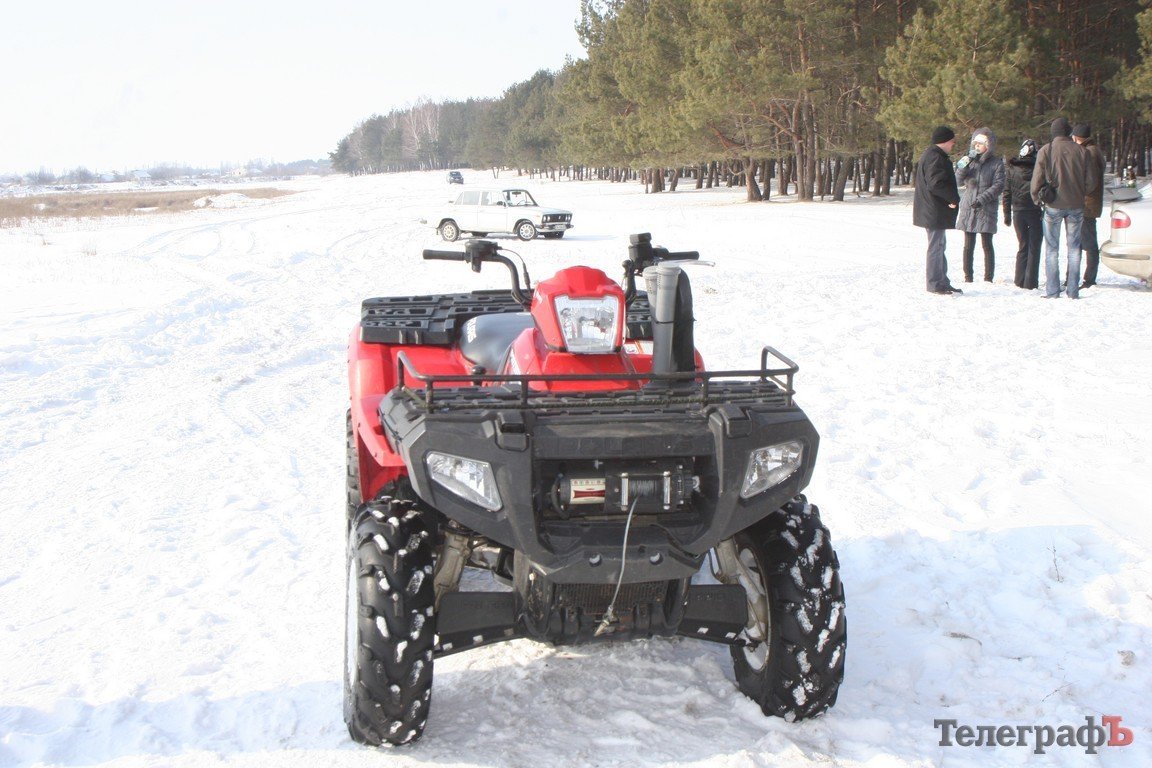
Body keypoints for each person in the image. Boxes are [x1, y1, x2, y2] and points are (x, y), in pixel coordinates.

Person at [1031, 117, 1096, 299]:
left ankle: (1052, 291)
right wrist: (1080, 191)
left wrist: (1036, 197)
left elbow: (1037, 178)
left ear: (1053, 133)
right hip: (1076, 205)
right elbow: (1091, 182)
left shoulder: (1046, 150)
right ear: (1068, 132)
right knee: (1074, 248)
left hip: (1053, 205)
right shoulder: (1082, 151)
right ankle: (1073, 291)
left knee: (1052, 248)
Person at [913, 125, 962, 294]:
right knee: (936, 246)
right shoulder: (935, 157)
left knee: (939, 245)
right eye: (952, 141)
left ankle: (942, 281)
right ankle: (935, 283)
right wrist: (952, 198)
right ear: (946, 141)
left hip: (933, 210)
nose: (953, 145)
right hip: (933, 209)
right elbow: (936, 184)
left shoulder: (933, 155)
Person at [955, 128, 1005, 282]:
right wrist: (963, 165)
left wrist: (982, 199)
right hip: (969, 206)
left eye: (981, 144)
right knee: (968, 244)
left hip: (986, 208)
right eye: (975, 143)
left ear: (988, 145)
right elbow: (956, 181)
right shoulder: (969, 161)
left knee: (987, 244)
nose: (977, 147)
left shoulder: (996, 164)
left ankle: (988, 277)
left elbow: (998, 186)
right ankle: (968, 276)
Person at [1002, 139, 1043, 289]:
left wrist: (1007, 215)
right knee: (1034, 246)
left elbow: (1007, 193)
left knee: (1023, 245)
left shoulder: (1012, 169)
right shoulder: (1039, 169)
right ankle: (1031, 282)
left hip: (1018, 212)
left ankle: (1019, 280)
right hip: (1034, 211)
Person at [1071, 124, 1106, 289]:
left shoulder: (1089, 152)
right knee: (1081, 242)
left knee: (1088, 243)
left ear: (1078, 137)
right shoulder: (1092, 150)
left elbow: (1091, 182)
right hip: (1087, 204)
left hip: (1086, 205)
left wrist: (1078, 190)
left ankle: (1089, 278)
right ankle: (1078, 277)